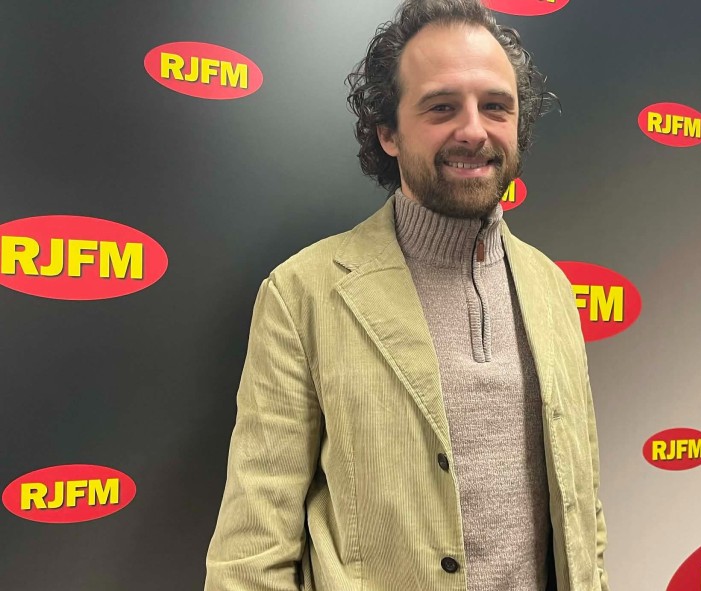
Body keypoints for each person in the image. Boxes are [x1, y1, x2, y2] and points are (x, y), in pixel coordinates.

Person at [204, 1, 609, 589]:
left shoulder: (552, 289)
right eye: (442, 106)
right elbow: (250, 555)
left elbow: (583, 515)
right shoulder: (302, 295)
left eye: (495, 106)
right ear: (388, 133)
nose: (474, 130)